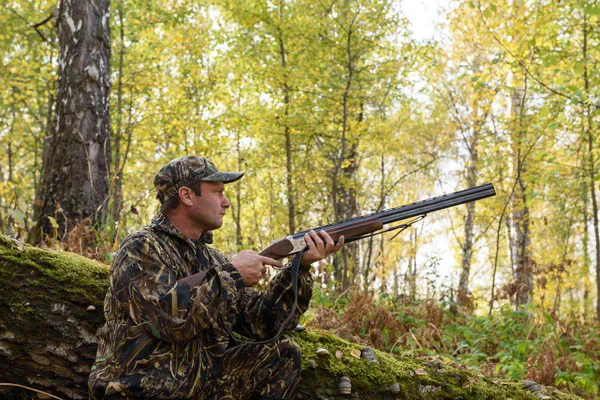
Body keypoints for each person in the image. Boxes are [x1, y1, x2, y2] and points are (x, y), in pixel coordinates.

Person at [88, 156, 344, 399]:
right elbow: (168, 321)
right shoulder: (141, 247)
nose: (226, 202)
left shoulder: (213, 260)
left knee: (283, 354)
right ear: (187, 195)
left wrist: (300, 267)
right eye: (217, 192)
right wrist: (232, 275)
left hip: (200, 387)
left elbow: (264, 324)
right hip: (140, 391)